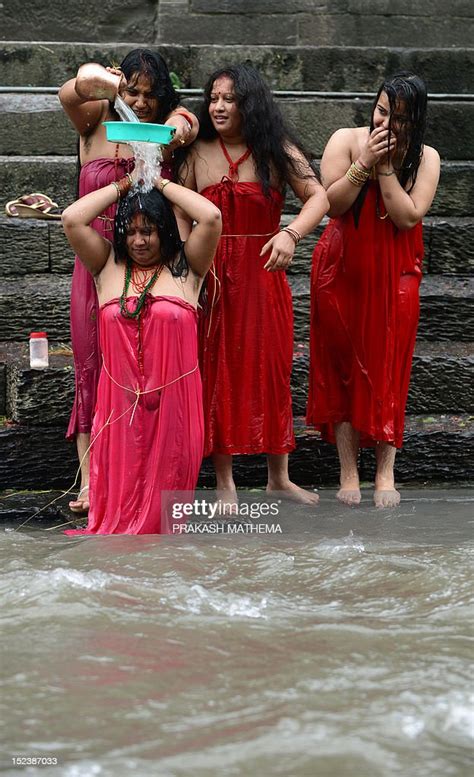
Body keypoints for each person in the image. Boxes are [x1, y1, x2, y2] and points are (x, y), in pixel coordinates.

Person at [176, 64, 328, 508]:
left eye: (230, 99)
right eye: (214, 98)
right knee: (216, 367)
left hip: (263, 272)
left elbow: (318, 196)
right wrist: (190, 252)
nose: (219, 107)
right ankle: (224, 481)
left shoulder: (275, 149)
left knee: (272, 369)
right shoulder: (197, 150)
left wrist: (291, 233)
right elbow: (178, 205)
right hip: (213, 273)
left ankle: (278, 477)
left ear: (251, 103)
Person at [59, 48, 199, 514]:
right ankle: (89, 480)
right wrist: (101, 82)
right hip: (97, 258)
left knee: (145, 371)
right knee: (91, 365)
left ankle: (149, 474)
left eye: (148, 94)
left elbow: (188, 123)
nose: (138, 103)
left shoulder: (168, 125)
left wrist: (169, 132)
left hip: (149, 259)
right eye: (131, 92)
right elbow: (69, 92)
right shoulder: (95, 118)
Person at [61, 170, 222, 534]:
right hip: (119, 408)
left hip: (176, 407)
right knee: (116, 522)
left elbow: (211, 217)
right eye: (129, 231)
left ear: (164, 229)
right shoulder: (106, 266)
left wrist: (159, 184)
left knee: (167, 523)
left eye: (147, 230)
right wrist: (124, 185)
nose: (137, 240)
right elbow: (72, 218)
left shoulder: (187, 269)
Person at [306, 72, 440, 508]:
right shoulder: (345, 139)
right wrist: (364, 161)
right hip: (342, 269)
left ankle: (385, 472)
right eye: (383, 111)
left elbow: (407, 216)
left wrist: (385, 169)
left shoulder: (428, 159)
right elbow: (333, 203)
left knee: (388, 367)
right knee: (342, 368)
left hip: (398, 268)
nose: (387, 124)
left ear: (415, 122)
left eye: (399, 119)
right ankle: (348, 473)